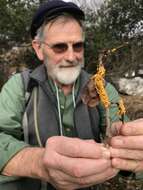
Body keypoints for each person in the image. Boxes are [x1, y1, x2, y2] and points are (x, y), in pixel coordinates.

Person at [0, 0, 138, 189]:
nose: (72, 57)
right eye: (60, 47)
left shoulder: (102, 87)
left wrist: (127, 144)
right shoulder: (19, 87)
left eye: (78, 46)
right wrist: (38, 162)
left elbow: (118, 126)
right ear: (39, 49)